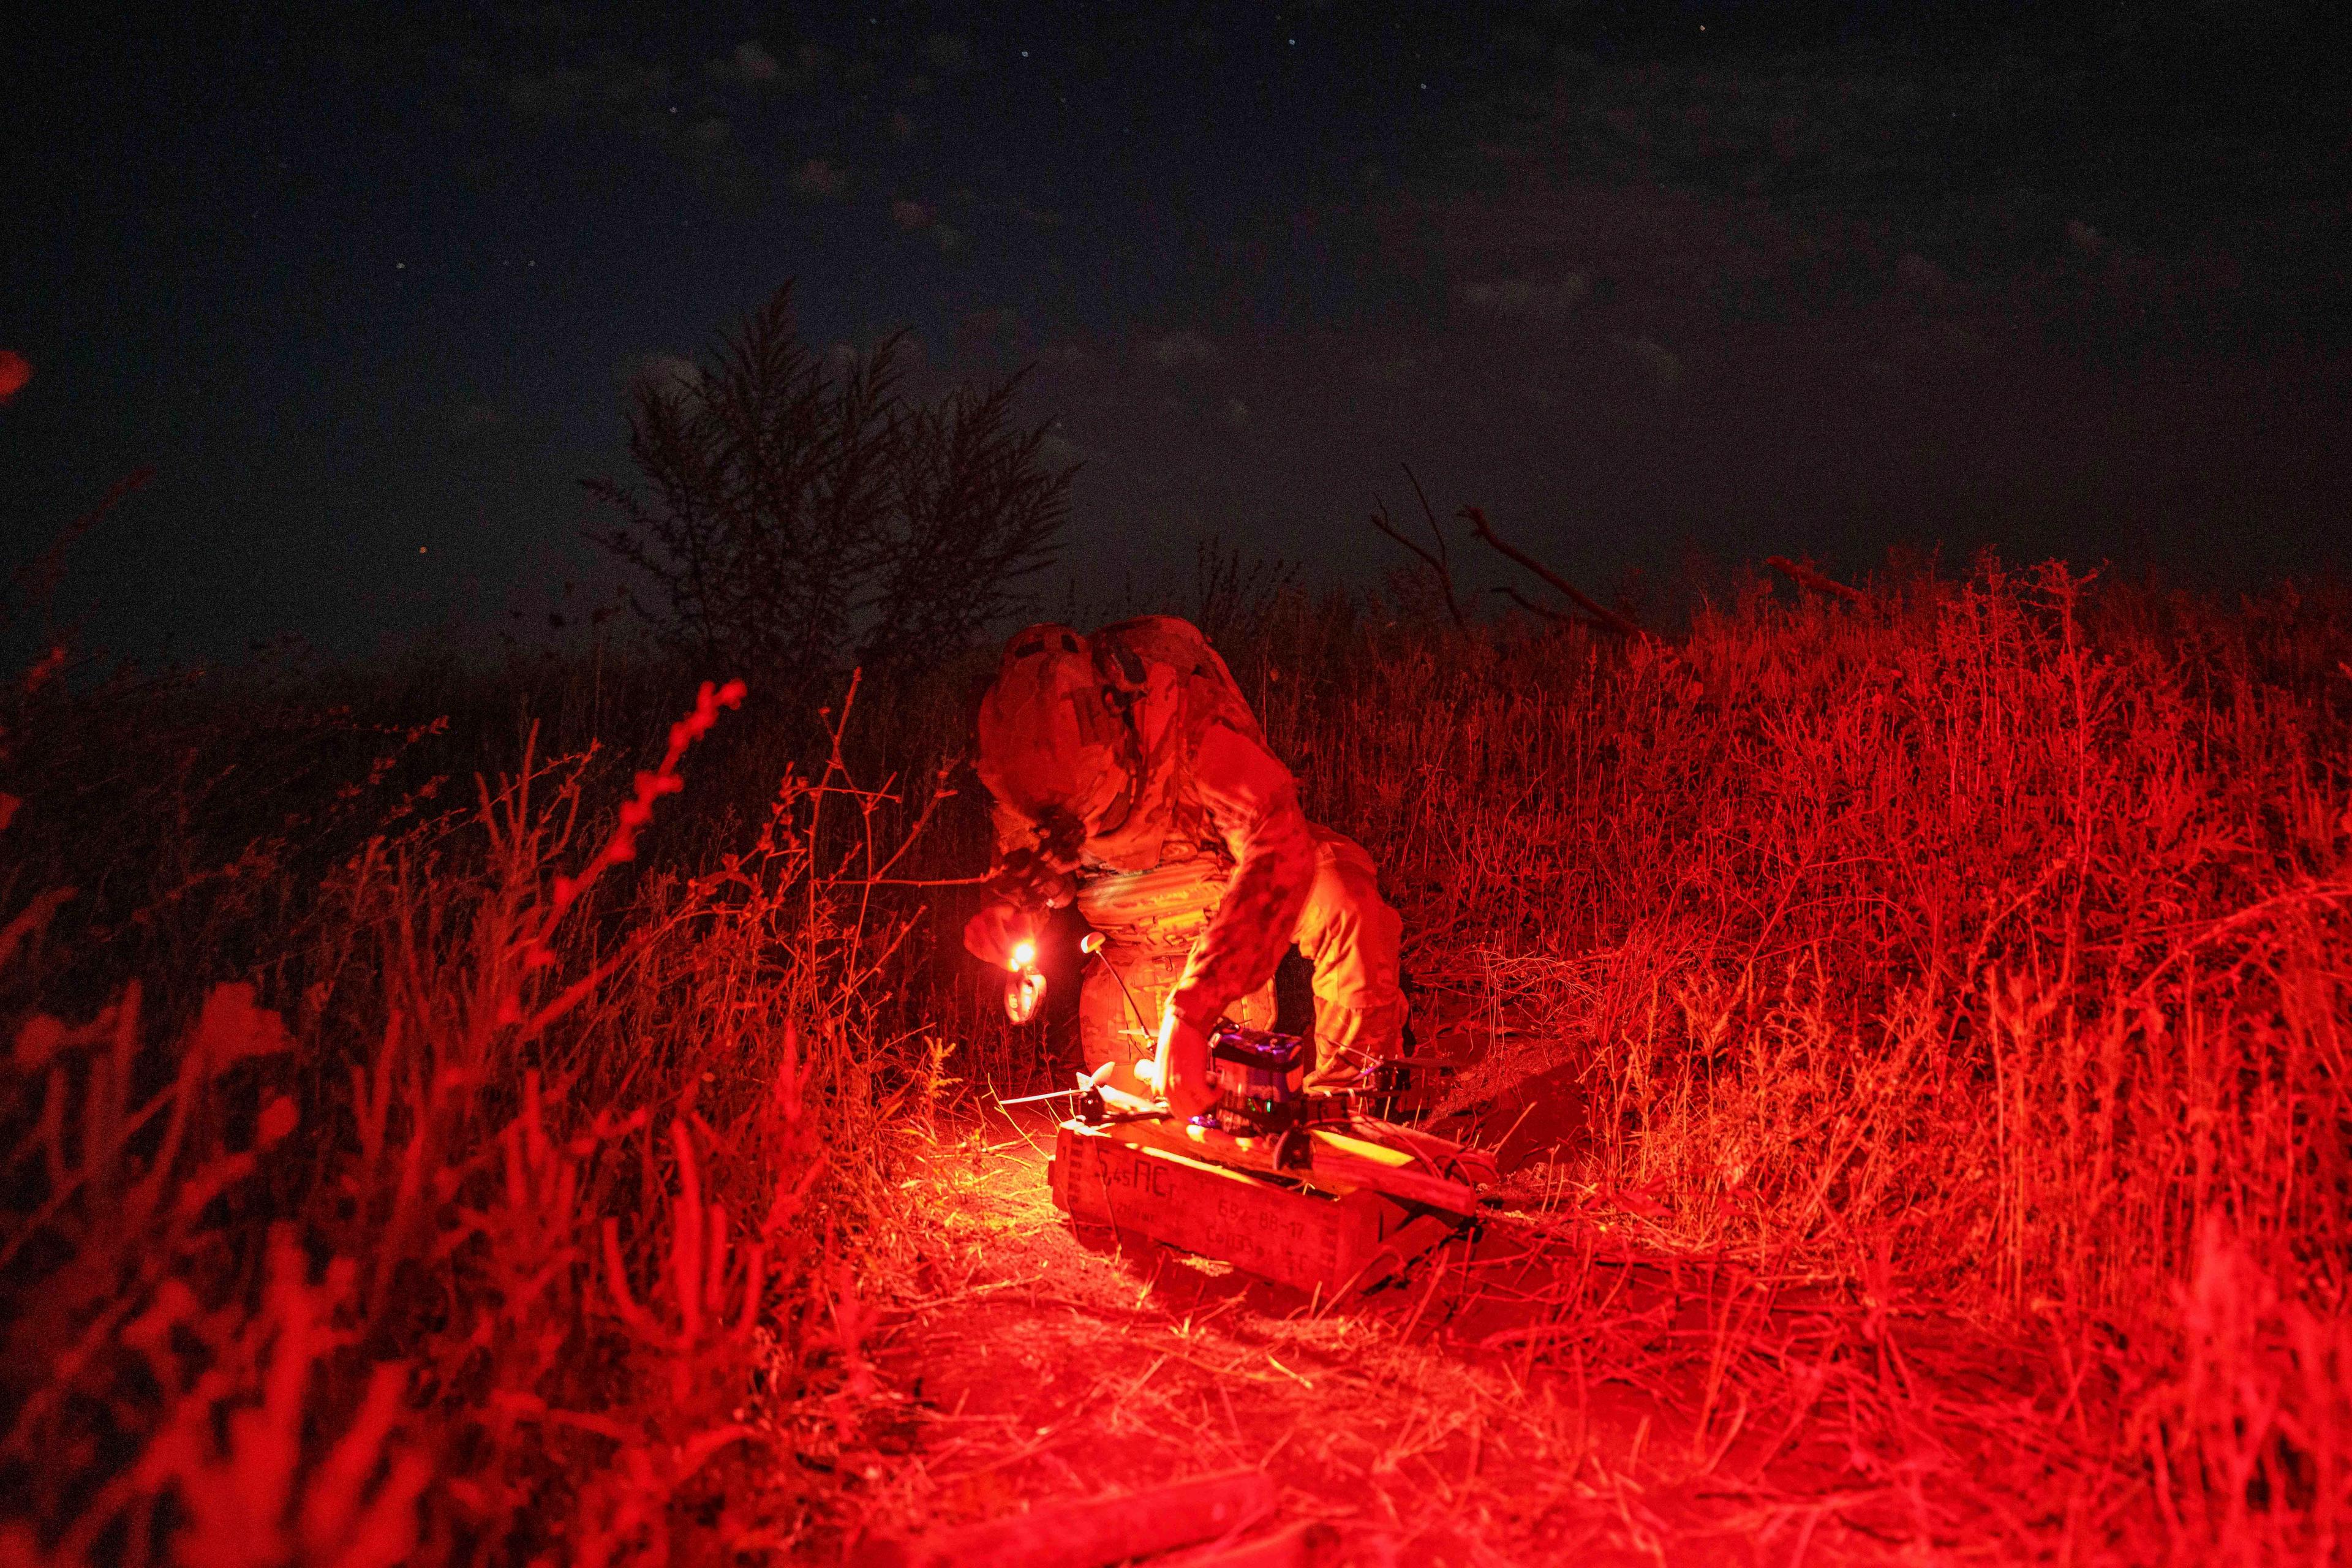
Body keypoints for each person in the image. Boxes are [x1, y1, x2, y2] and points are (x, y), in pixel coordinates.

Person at [963, 616, 1406, 1118]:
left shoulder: (1189, 722)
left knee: (1343, 898)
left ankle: (1350, 1107)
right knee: (1154, 1130)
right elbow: (1024, 881)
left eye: (1094, 809)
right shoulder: (1023, 763)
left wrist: (1194, 1010)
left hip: (1226, 903)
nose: (1081, 831)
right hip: (1125, 945)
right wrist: (1009, 915)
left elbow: (1278, 846)